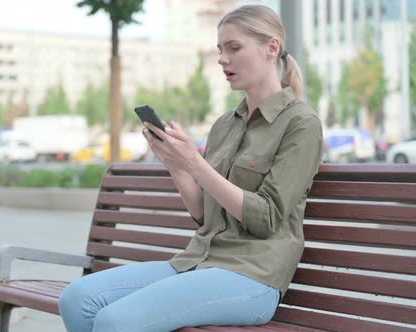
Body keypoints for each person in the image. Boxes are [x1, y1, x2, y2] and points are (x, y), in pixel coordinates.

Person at [58, 4, 323, 332]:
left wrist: (196, 164)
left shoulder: (301, 123)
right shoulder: (225, 124)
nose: (222, 59)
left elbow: (267, 218)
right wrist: (176, 164)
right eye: (220, 50)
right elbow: (204, 215)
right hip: (198, 260)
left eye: (234, 48)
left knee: (114, 321)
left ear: (272, 47)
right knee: (77, 298)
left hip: (253, 276)